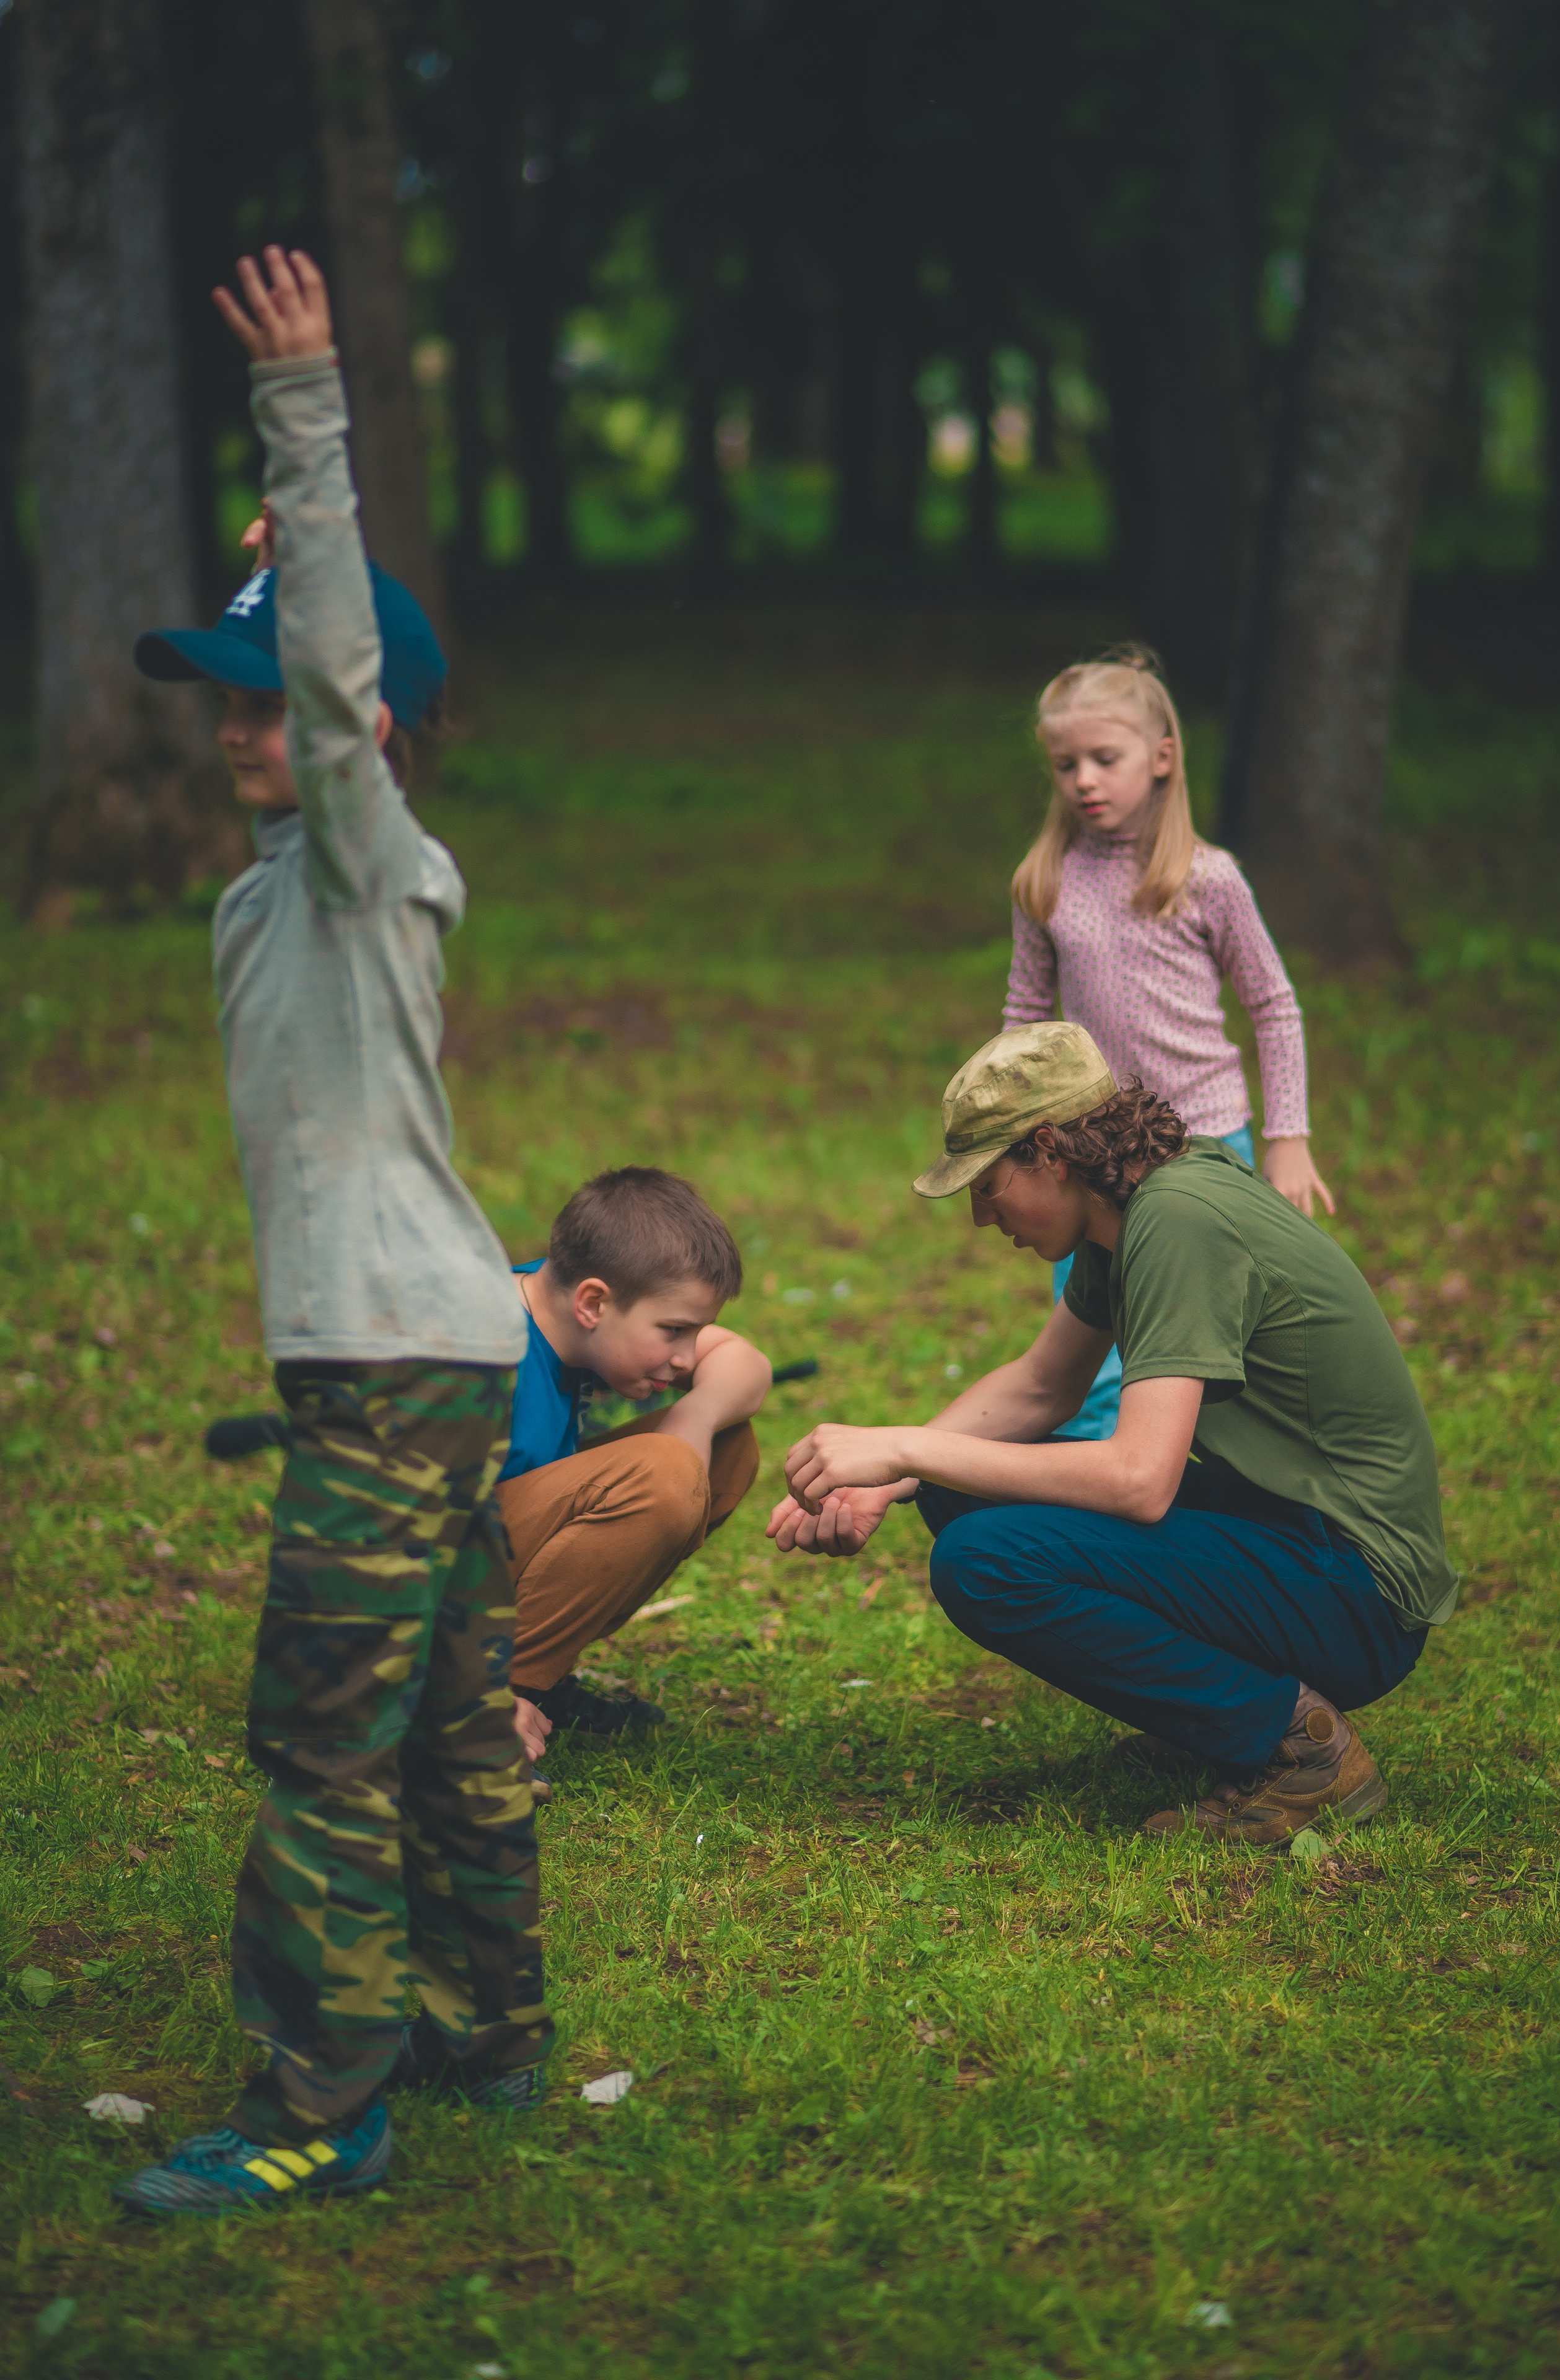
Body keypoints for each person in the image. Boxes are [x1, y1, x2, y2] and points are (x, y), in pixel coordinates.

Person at [115, 249, 549, 2217]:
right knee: (453, 1702)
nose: (241, 732)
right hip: (421, 1348)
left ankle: (320, 2100)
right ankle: (486, 2023)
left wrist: (309, 431)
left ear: (360, 722)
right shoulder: (267, 895)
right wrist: (278, 573)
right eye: (230, 701)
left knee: (320, 1735)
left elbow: (340, 688)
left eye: (271, 705)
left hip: (391, 1357)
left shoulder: (373, 868)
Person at [766, 1023, 1457, 1846]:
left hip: (1358, 1592)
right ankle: (1215, 1719)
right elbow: (1044, 1385)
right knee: (959, 1484)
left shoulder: (1176, 1221)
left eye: (988, 1187)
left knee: (982, 1560)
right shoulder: (1134, 1205)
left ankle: (1298, 1747)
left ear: (1052, 1150)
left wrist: (907, 1448)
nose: (983, 1220)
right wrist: (884, 1478)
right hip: (1296, 1539)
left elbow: (1139, 1479)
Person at [1003, 647, 1333, 1442]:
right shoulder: (1043, 880)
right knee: (1092, 1340)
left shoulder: (1206, 877)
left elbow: (1273, 1005)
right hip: (1087, 1155)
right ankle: (1088, 1479)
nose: (1084, 779)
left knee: (1210, 1332)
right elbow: (1024, 1017)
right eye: (1065, 764)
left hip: (1205, 1142)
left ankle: (1208, 1481)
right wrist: (1014, 1146)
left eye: (1103, 759)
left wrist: (1288, 1140)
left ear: (1160, 758)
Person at [497, 1167, 771, 1740]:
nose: (687, 1356)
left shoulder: (559, 1307)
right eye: (674, 1330)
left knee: (725, 1444)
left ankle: (533, 1682)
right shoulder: (482, 1350)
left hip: (486, 1554)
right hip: (410, 1592)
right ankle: (484, 1706)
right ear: (593, 1302)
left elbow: (748, 1364)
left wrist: (694, 1418)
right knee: (665, 1472)